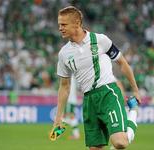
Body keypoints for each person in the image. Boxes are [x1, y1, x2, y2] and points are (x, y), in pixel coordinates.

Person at [54, 6, 141, 150]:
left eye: (63, 24)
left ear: (77, 23)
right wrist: (58, 117)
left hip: (108, 93)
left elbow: (122, 63)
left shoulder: (100, 40)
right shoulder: (64, 54)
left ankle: (134, 111)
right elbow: (64, 86)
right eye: (59, 25)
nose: (60, 28)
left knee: (120, 142)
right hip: (88, 100)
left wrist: (135, 90)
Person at [64, 74, 80, 139]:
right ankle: (57, 132)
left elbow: (66, 87)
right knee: (68, 116)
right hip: (72, 99)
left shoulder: (69, 76)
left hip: (69, 99)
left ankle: (76, 134)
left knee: (70, 116)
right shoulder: (73, 76)